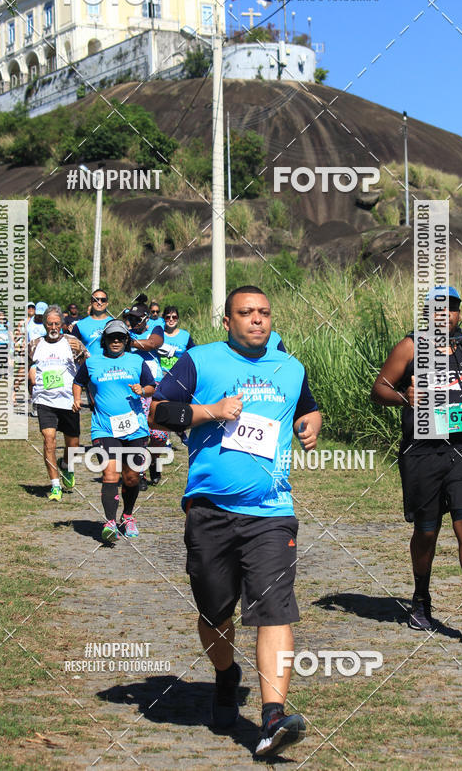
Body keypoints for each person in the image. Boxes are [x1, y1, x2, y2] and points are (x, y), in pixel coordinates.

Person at [150, 285, 321, 759]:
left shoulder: (291, 367)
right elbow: (158, 410)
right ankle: (226, 675)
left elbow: (307, 405)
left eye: (264, 312)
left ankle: (272, 716)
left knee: (275, 610)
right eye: (246, 313)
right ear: (227, 321)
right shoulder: (199, 361)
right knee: (214, 612)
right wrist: (210, 411)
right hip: (209, 509)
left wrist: (312, 422)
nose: (257, 320)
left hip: (271, 512)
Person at [371, 286, 462, 640]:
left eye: (453, 309)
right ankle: (421, 600)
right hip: (423, 451)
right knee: (427, 531)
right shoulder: (410, 347)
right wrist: (402, 396)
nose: (447, 315)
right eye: (439, 310)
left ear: (459, 312)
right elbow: (378, 389)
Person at [73, 319, 156, 542]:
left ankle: (127, 516)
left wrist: (142, 389)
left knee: (131, 478)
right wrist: (76, 399)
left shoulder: (136, 361)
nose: (116, 341)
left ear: (127, 340)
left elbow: (151, 387)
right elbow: (78, 382)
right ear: (105, 340)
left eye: (120, 337)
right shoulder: (92, 363)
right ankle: (110, 522)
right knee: (110, 473)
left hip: (135, 428)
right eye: (112, 337)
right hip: (104, 428)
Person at [29, 305, 88, 501]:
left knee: (73, 445)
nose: (53, 327)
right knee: (49, 440)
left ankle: (66, 466)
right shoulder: (35, 344)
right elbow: (28, 366)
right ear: (45, 325)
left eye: (57, 323)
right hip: (45, 400)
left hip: (69, 401)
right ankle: (55, 486)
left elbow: (88, 367)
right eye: (50, 324)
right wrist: (30, 377)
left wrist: (79, 356)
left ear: (62, 324)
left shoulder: (73, 342)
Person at [123, 301, 166, 488]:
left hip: (155, 385)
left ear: (145, 319)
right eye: (130, 318)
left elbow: (151, 344)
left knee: (159, 434)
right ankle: (139, 473)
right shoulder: (124, 333)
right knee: (140, 431)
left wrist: (130, 342)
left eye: (136, 319)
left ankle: (154, 461)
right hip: (135, 386)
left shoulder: (156, 328)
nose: (132, 322)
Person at [71, 289, 113, 355]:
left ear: (107, 303)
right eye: (96, 299)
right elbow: (72, 349)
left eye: (103, 300)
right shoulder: (80, 325)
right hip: (87, 364)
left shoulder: (115, 323)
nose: (99, 302)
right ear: (91, 302)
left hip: (110, 364)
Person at [158, 306, 196, 373]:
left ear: (178, 319)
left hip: (180, 373)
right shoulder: (158, 335)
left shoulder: (185, 335)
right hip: (162, 374)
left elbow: (193, 353)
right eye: (168, 317)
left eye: (174, 317)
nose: (171, 319)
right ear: (164, 319)